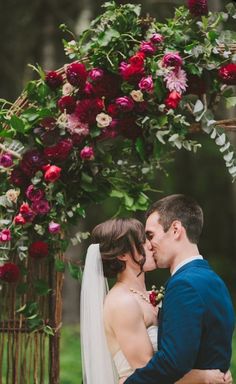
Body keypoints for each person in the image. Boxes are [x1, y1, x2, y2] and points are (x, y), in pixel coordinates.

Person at [80, 217, 233, 384]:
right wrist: (203, 376)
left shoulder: (151, 294)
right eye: (142, 241)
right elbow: (149, 372)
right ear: (123, 254)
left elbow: (181, 348)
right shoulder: (121, 302)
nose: (151, 245)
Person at [124, 194, 235, 384]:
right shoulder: (214, 280)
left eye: (151, 235)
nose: (148, 246)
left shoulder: (184, 285)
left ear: (175, 229)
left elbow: (173, 362)